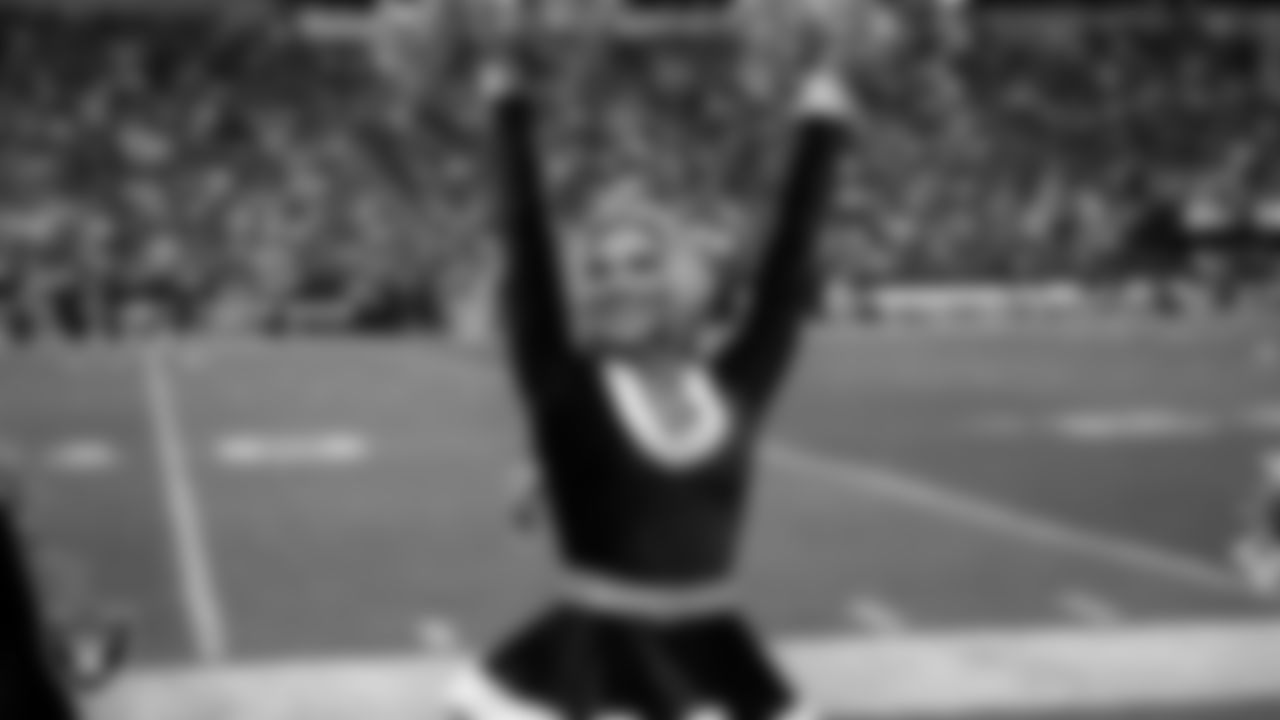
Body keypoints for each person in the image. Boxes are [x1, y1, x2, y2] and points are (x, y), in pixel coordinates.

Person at [443, 11, 853, 720]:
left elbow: (787, 272)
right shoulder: (563, 387)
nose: (619, 281)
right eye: (599, 268)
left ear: (680, 278)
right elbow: (527, 233)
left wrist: (821, 112)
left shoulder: (732, 386)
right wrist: (506, 96)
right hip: (593, 669)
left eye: (642, 262)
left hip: (716, 663)